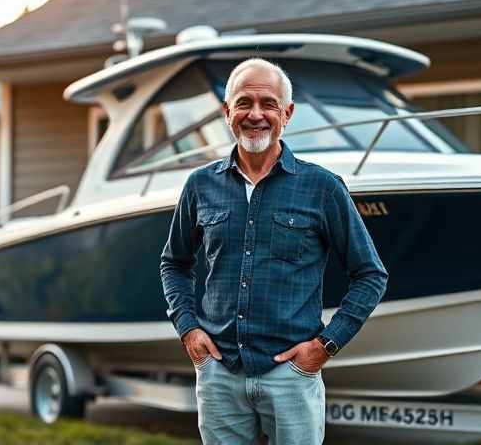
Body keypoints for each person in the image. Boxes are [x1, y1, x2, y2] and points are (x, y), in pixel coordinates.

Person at [160, 58, 388, 444]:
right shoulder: (200, 186)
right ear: (227, 112)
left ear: (288, 113)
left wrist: (325, 346)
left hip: (292, 376)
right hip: (220, 373)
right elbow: (174, 263)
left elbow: (370, 274)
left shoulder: (322, 187)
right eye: (244, 103)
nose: (256, 114)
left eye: (268, 104)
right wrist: (188, 329)